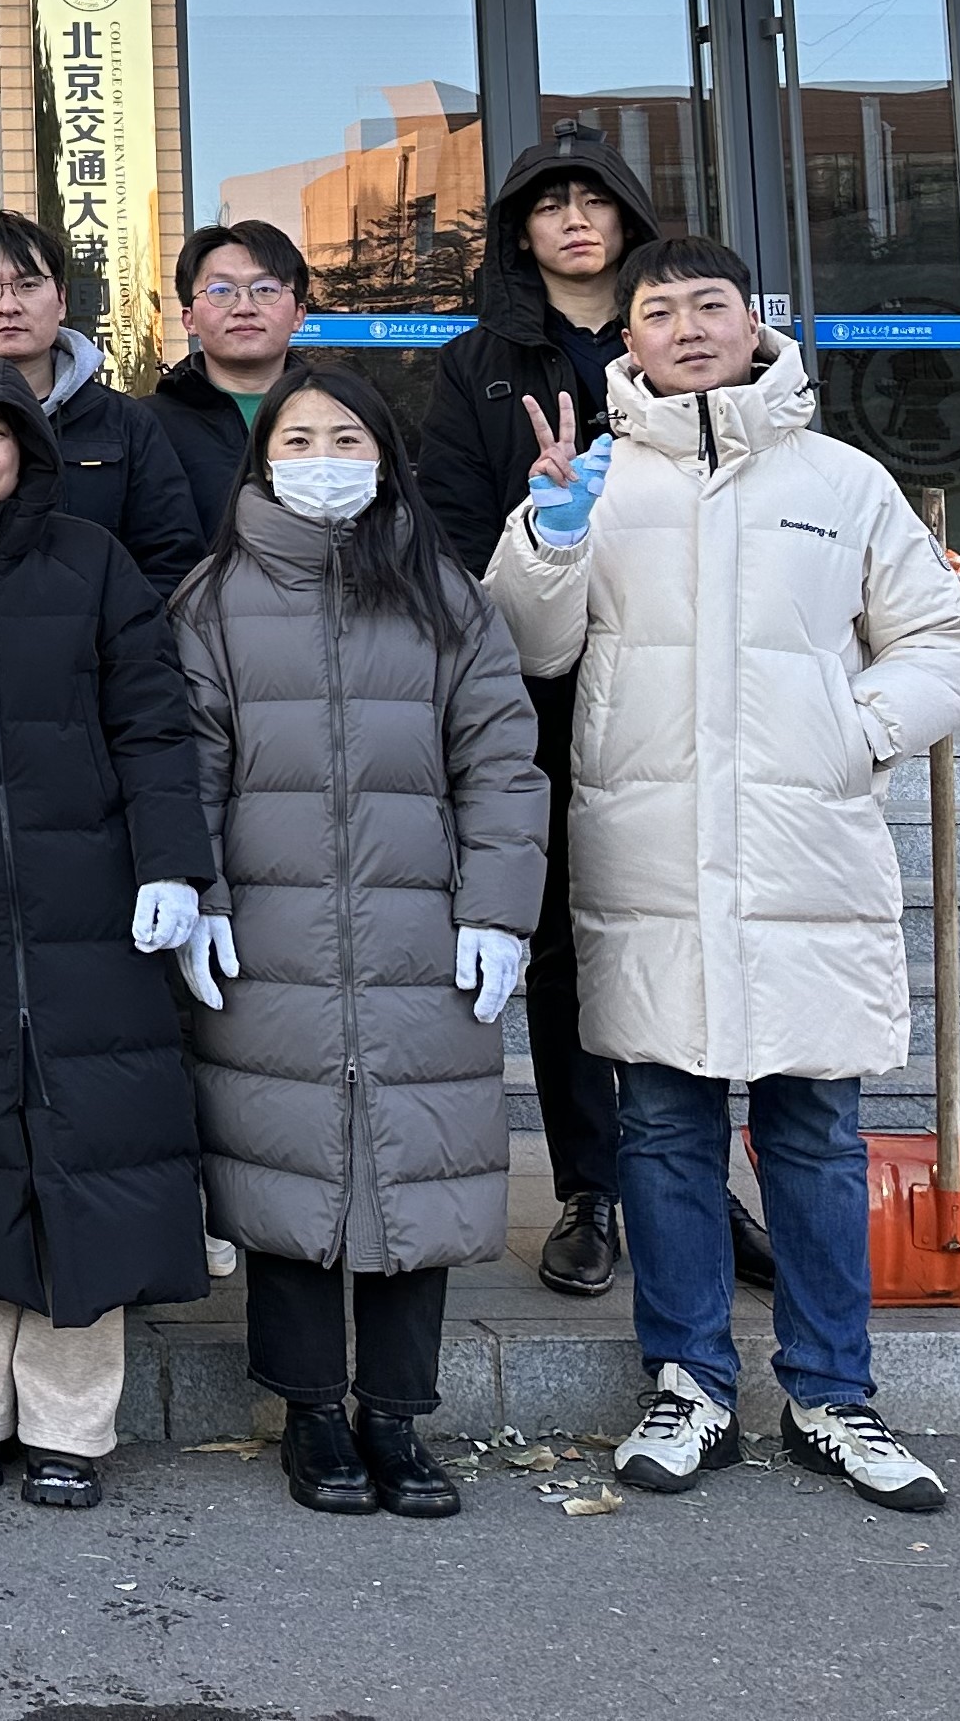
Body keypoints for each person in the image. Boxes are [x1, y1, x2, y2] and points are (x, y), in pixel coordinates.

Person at [487, 236, 960, 1515]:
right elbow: (526, 645)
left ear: (754, 321)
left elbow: (943, 638)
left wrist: (853, 731)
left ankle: (833, 1391)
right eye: (659, 311)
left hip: (804, 851)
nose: (688, 328)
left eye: (710, 304)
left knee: (814, 1132)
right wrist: (548, 532)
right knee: (661, 1128)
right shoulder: (599, 482)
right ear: (629, 342)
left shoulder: (842, 477)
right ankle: (689, 1380)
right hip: (648, 853)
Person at [172, 363, 546, 1521]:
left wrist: (499, 907)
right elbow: (189, 762)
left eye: (347, 439)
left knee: (416, 1167)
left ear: (386, 458)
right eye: (299, 439)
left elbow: (501, 757)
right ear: (261, 456)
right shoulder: (213, 597)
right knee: (285, 1168)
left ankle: (395, 1413)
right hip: (270, 932)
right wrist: (202, 894)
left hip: (420, 927)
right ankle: (311, 1414)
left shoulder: (443, 593)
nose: (323, 460)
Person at [0, 360, 208, 1513]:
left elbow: (153, 720)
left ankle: (69, 1420)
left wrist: (172, 862)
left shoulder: (93, 562)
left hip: (89, 901)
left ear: (29, 449)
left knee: (87, 1147)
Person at [413, 121, 663, 1301]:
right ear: (519, 231)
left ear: (626, 216)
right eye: (549, 202)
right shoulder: (475, 366)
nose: (574, 218)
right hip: (539, 690)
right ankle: (591, 1184)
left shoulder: (676, 341)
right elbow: (455, 542)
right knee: (561, 941)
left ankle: (687, 1176)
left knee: (674, 927)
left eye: (593, 198)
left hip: (677, 682)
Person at [0, 208, 201, 592]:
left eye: (28, 285)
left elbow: (171, 562)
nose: (8, 306)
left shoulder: (125, 424)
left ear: (61, 299)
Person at [150, 220, 311, 540]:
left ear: (298, 315)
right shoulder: (147, 425)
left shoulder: (345, 415)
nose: (244, 308)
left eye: (265, 289)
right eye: (221, 291)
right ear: (189, 319)